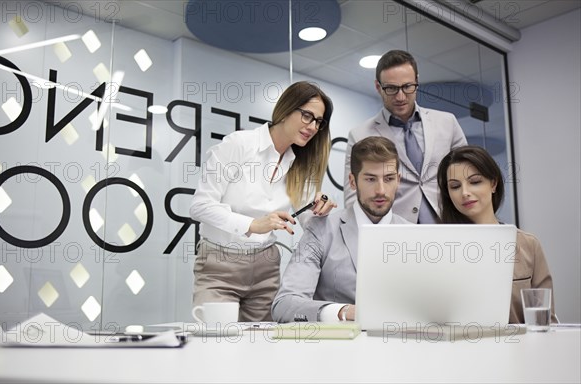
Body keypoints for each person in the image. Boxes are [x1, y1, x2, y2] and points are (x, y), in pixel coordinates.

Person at [189, 81, 338, 322]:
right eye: (307, 116)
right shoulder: (238, 144)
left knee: (261, 352)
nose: (312, 127)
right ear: (286, 109)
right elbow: (200, 206)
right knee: (215, 346)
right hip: (219, 267)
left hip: (266, 267)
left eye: (318, 122)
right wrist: (252, 224)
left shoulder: (298, 163)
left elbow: (307, 219)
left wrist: (320, 208)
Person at [272, 136, 410, 323]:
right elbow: (284, 305)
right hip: (337, 348)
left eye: (389, 179)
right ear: (352, 182)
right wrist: (342, 312)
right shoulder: (321, 229)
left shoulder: (413, 235)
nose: (381, 190)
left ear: (398, 180)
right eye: (370, 179)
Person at [437, 145, 557, 324]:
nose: (465, 193)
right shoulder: (439, 249)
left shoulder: (528, 245)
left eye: (475, 181)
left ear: (493, 184)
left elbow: (546, 322)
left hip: (521, 350)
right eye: (455, 186)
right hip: (462, 349)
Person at [344, 49, 467, 224]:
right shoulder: (360, 135)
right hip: (395, 235)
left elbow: (467, 177)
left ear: (417, 81)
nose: (400, 96)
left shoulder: (447, 122)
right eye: (391, 89)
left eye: (408, 87)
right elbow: (353, 198)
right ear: (378, 87)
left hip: (447, 225)